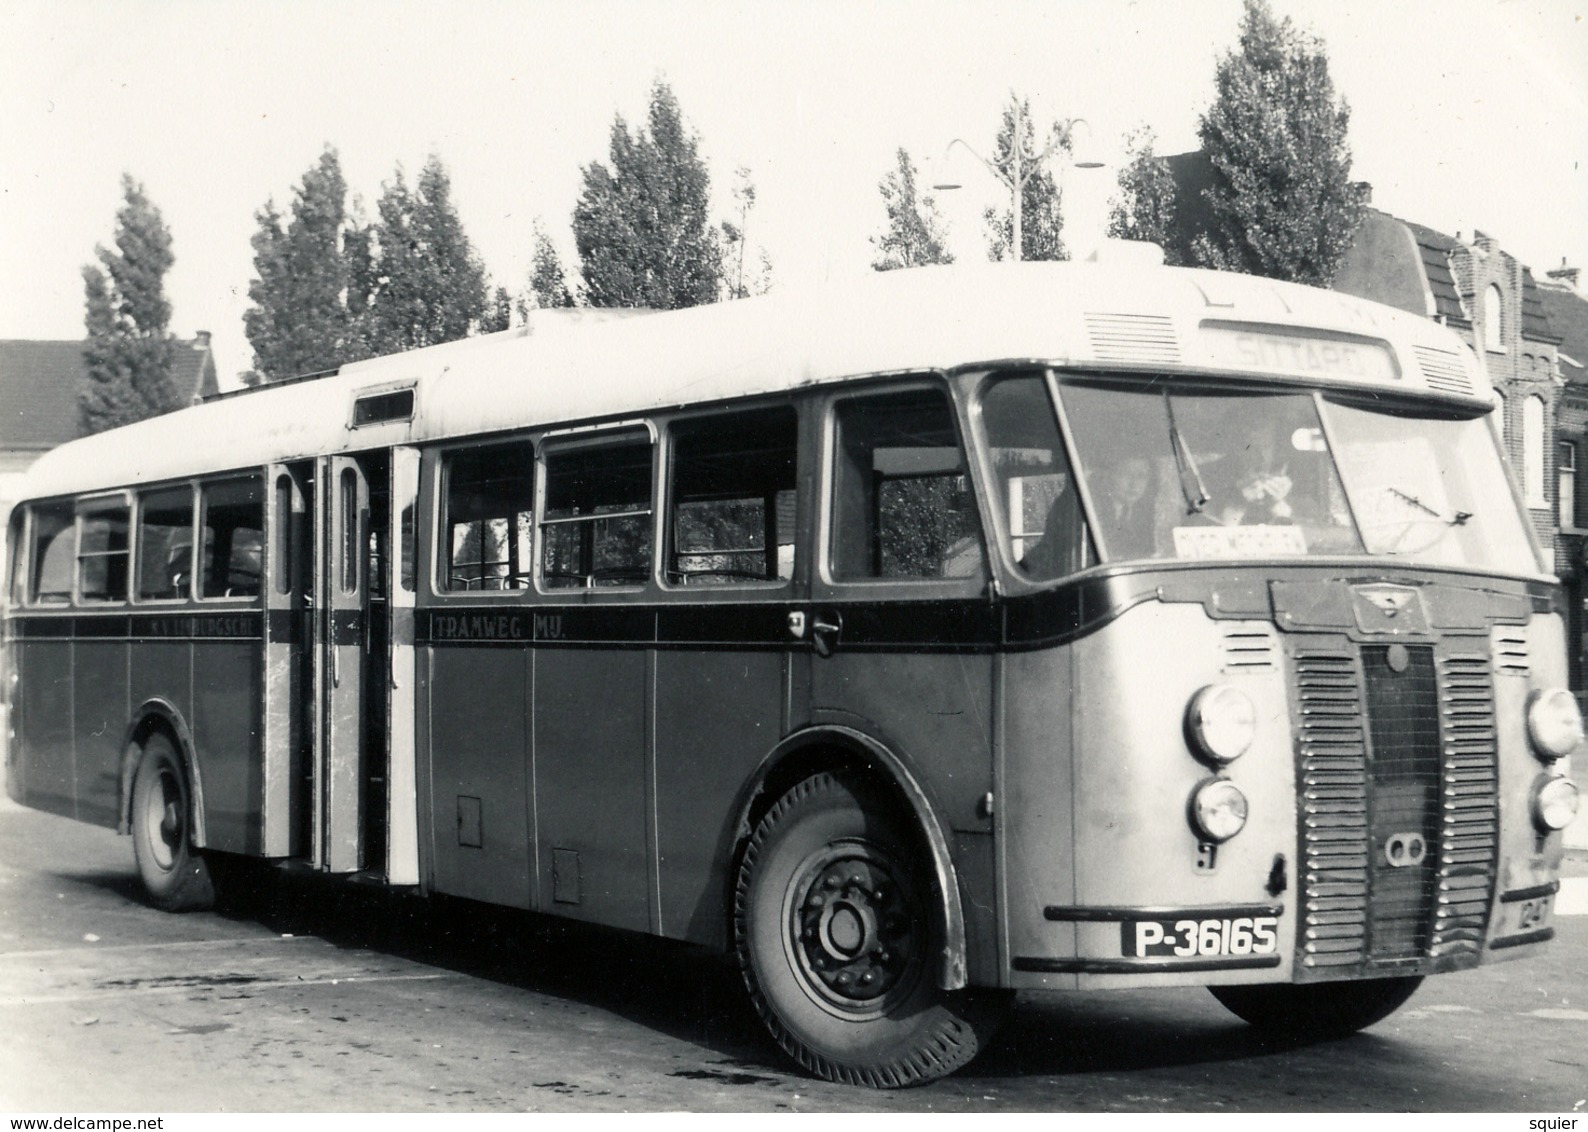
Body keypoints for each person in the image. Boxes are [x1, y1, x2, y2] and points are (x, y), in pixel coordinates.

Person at [1098, 454, 1155, 558]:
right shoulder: (1095, 509)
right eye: (1126, 474)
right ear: (1110, 475)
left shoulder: (1146, 514)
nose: (1134, 484)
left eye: (1141, 476)